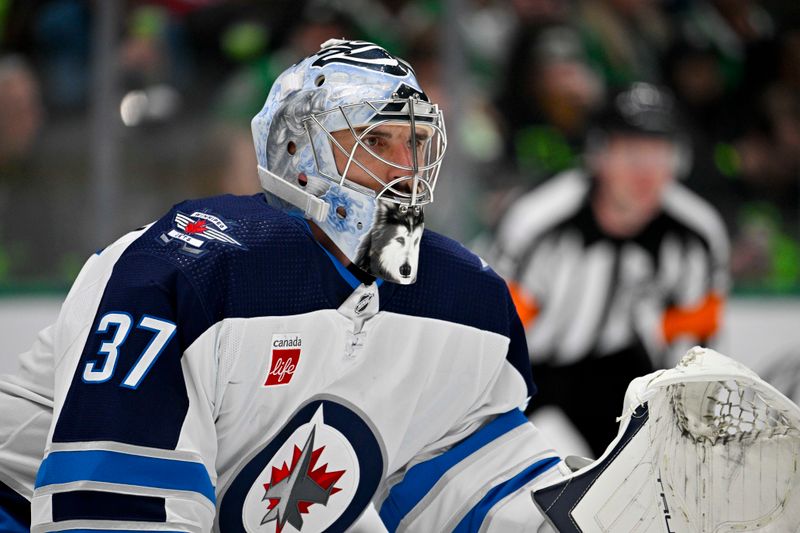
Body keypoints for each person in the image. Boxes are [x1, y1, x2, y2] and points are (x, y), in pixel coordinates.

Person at [1, 39, 571, 532]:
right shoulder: (184, 271)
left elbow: (483, 496)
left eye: (415, 142)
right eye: (376, 142)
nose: (405, 168)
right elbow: (109, 508)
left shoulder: (458, 300)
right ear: (299, 152)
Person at [484, 82, 730, 457]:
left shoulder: (695, 234)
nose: (646, 173)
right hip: (532, 373)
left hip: (620, 375)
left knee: (651, 478)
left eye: (661, 155)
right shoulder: (538, 222)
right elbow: (495, 330)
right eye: (632, 154)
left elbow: (694, 341)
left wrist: (687, 423)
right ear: (598, 154)